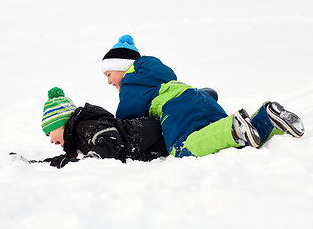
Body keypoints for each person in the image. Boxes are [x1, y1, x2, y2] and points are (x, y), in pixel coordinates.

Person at [101, 34, 305, 158]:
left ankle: (234, 128)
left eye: (109, 74)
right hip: (201, 97)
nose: (109, 81)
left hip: (176, 108)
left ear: (123, 67)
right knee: (231, 139)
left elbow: (128, 117)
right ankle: (267, 118)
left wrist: (114, 127)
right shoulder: (155, 77)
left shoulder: (131, 82)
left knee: (182, 148)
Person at [40, 87, 168, 168]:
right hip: (150, 144)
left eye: (49, 132)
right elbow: (69, 160)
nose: (51, 140)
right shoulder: (76, 139)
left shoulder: (82, 127)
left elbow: (109, 137)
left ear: (60, 124)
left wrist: (93, 158)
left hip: (155, 132)